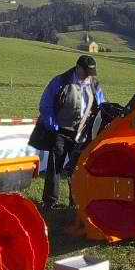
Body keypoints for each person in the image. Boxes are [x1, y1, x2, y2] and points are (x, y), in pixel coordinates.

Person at [31, 55, 106, 211]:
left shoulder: (94, 84)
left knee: (77, 169)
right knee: (55, 167)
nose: (88, 76)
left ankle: (76, 202)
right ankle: (50, 202)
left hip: (81, 133)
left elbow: (101, 105)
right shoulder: (60, 81)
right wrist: (53, 126)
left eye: (91, 73)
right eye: (86, 72)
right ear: (78, 68)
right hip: (60, 131)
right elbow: (46, 105)